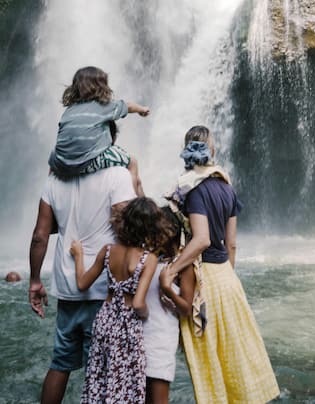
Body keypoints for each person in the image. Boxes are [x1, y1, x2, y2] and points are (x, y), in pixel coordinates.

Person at [160, 125, 280, 404]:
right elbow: (232, 244)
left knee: (208, 361)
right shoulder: (227, 187)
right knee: (234, 358)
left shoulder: (193, 190)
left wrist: (171, 270)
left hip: (205, 280)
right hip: (227, 278)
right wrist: (229, 279)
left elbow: (201, 240)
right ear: (212, 150)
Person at [28, 165, 136, 404]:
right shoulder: (118, 175)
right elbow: (133, 227)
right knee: (102, 368)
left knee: (60, 362)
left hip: (66, 287)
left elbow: (40, 235)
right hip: (103, 289)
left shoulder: (55, 179)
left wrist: (35, 279)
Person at [69, 197, 166, 403]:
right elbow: (139, 303)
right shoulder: (148, 259)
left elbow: (82, 284)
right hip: (128, 326)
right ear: (151, 227)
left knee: (100, 377)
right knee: (126, 382)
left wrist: (78, 255)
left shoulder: (108, 251)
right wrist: (148, 316)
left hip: (105, 320)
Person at [48, 66, 149, 196]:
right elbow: (128, 106)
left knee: (54, 156)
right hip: (88, 162)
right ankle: (134, 207)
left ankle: (51, 188)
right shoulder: (103, 106)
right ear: (101, 86)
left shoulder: (68, 111)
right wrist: (142, 109)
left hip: (61, 164)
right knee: (133, 162)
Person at [144, 207, 196, 404]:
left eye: (156, 230)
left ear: (171, 232)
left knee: (158, 398)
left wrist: (167, 289)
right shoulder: (148, 259)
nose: (151, 234)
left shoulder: (183, 265)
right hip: (138, 336)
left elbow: (187, 309)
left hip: (161, 339)